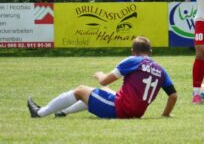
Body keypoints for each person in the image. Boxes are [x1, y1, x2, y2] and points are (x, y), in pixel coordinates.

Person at [27, 36, 177, 119]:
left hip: (120, 109)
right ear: (150, 52)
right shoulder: (161, 69)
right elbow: (173, 96)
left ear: (133, 52)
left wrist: (99, 74)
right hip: (136, 112)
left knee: (80, 90)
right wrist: (165, 114)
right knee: (103, 91)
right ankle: (63, 112)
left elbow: (104, 80)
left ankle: (39, 113)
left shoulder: (133, 60)